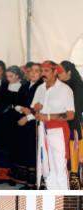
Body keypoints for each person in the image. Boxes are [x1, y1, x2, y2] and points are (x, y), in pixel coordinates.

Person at [33, 61, 75, 190]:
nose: (43, 74)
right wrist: (37, 108)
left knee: (59, 165)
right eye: (42, 71)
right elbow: (35, 107)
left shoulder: (65, 89)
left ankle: (63, 194)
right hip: (42, 129)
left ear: (55, 72)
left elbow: (70, 114)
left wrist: (49, 117)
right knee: (46, 166)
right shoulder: (40, 88)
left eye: (46, 71)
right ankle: (52, 192)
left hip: (58, 130)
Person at [11, 62, 43, 189]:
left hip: (35, 123)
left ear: (41, 73)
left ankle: (33, 184)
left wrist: (27, 116)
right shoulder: (24, 85)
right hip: (23, 122)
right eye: (31, 71)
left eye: (37, 71)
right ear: (27, 73)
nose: (33, 73)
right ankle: (26, 182)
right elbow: (15, 102)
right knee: (24, 151)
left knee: (32, 153)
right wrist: (22, 108)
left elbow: (42, 106)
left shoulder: (42, 87)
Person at [59, 61, 83, 188]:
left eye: (60, 71)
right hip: (64, 124)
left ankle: (75, 182)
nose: (58, 73)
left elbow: (77, 109)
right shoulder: (62, 84)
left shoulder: (77, 85)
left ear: (68, 72)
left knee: (74, 152)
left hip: (73, 124)